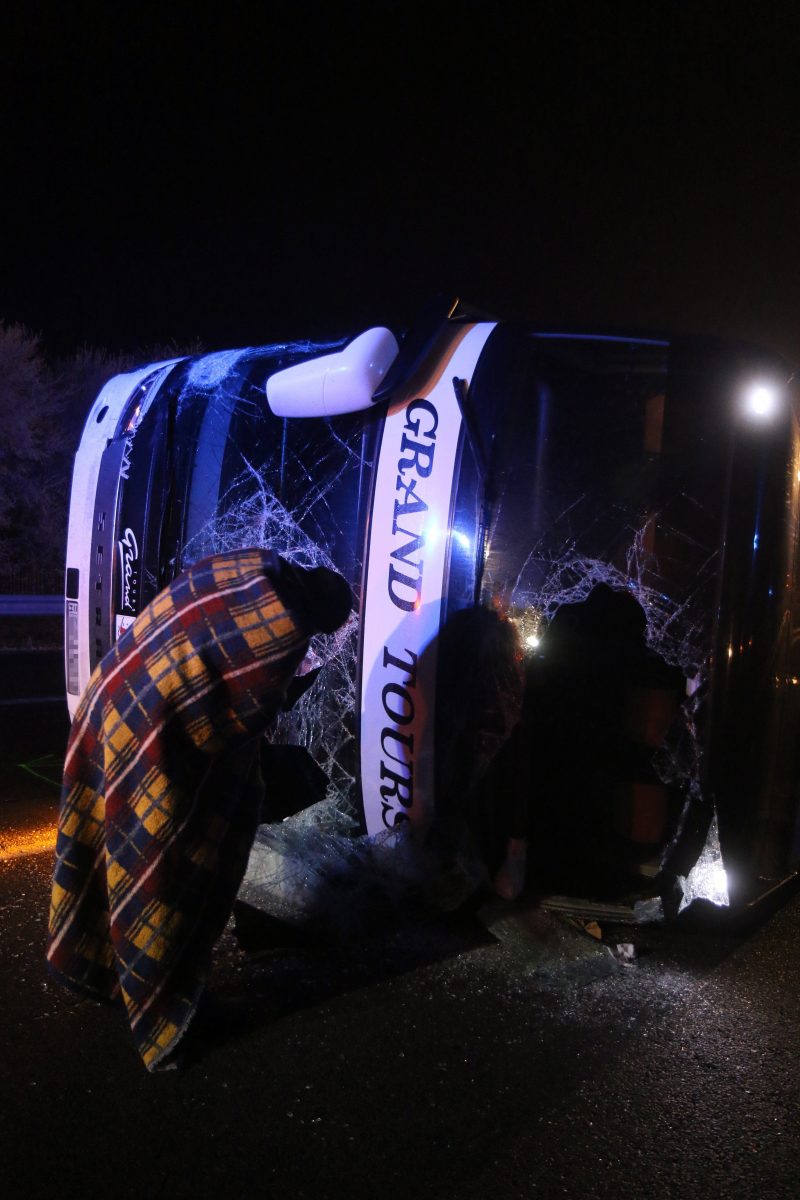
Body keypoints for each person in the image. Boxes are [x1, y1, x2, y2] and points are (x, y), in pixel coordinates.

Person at [46, 548, 352, 1071]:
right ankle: (161, 1013)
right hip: (151, 729)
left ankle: (96, 963)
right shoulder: (284, 630)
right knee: (164, 866)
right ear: (317, 619)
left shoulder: (255, 566)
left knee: (105, 838)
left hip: (116, 690)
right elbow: (240, 720)